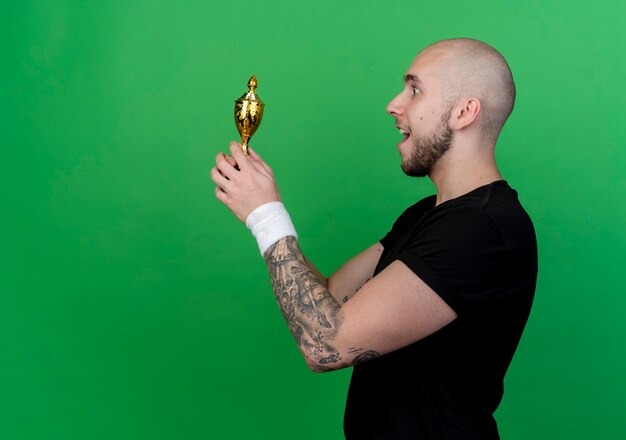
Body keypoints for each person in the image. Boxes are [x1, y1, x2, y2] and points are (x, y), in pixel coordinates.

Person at [211, 38, 538, 439]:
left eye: (415, 90)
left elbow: (324, 343)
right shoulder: (427, 215)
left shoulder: (483, 229)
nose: (394, 104)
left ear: (464, 111)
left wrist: (266, 217)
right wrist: (262, 204)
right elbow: (329, 296)